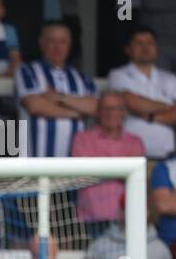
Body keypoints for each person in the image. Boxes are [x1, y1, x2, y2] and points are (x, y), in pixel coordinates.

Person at [15, 22, 97, 158]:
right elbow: (35, 106)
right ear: (41, 43)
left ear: (69, 45)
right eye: (51, 41)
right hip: (35, 162)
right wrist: (77, 113)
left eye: (63, 41)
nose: (58, 47)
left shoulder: (82, 77)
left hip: (74, 164)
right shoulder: (27, 70)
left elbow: (94, 107)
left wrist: (60, 98)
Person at [70, 91, 145, 232]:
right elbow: (82, 174)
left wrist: (99, 168)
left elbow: (138, 178)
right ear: (98, 112)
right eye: (106, 108)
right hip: (91, 219)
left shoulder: (135, 142)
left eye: (116, 108)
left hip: (127, 220)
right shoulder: (82, 139)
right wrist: (122, 170)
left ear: (123, 113)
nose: (110, 113)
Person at [107, 27, 176, 158]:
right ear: (128, 49)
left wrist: (151, 117)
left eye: (150, 43)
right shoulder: (118, 75)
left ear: (157, 48)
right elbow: (132, 103)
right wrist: (170, 106)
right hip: (129, 156)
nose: (145, 48)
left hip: (166, 157)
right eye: (139, 43)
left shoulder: (170, 79)